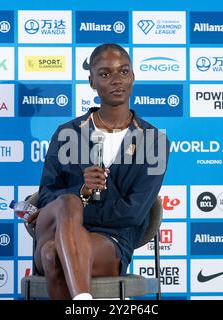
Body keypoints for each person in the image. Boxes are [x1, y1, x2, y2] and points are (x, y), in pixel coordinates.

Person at [26, 43, 169, 300]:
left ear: (133, 77)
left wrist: (79, 215)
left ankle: (81, 300)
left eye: (124, 72)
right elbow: (46, 197)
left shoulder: (153, 141)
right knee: (67, 201)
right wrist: (79, 193)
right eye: (105, 74)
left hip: (110, 241)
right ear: (91, 81)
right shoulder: (67, 133)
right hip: (55, 229)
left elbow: (134, 213)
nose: (117, 80)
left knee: (52, 254)